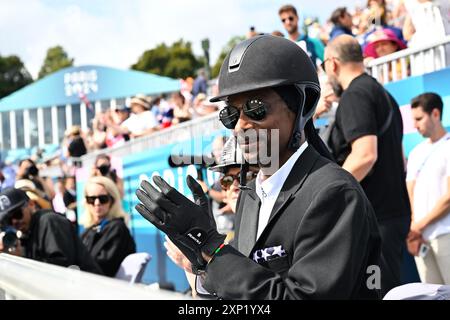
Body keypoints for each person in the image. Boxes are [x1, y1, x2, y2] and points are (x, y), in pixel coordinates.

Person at [135, 35, 381, 299]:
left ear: (302, 105)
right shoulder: (250, 195)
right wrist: (201, 266)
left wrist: (215, 249)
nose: (241, 125)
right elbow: (242, 292)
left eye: (255, 108)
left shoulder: (335, 193)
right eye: (230, 114)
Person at [323, 35, 411, 296]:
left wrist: (326, 196)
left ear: (333, 64)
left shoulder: (356, 95)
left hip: (377, 220)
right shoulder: (379, 92)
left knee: (380, 294)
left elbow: (365, 156)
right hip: (390, 215)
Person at [0, 188, 101, 274]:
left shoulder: (49, 221)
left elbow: (61, 266)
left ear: (31, 204)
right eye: (8, 220)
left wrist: (21, 257)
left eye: (17, 214)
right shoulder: (27, 232)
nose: (14, 221)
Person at [406, 93, 450, 284]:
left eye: (419, 119)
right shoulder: (415, 153)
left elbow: (449, 197)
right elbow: (411, 190)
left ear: (435, 113)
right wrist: (415, 229)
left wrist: (418, 225)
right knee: (429, 295)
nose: (415, 125)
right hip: (421, 237)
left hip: (446, 234)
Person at [80, 176, 136, 277]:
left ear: (112, 200)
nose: (97, 203)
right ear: (86, 202)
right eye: (91, 199)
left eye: (103, 199)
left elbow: (102, 267)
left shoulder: (117, 228)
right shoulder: (88, 230)